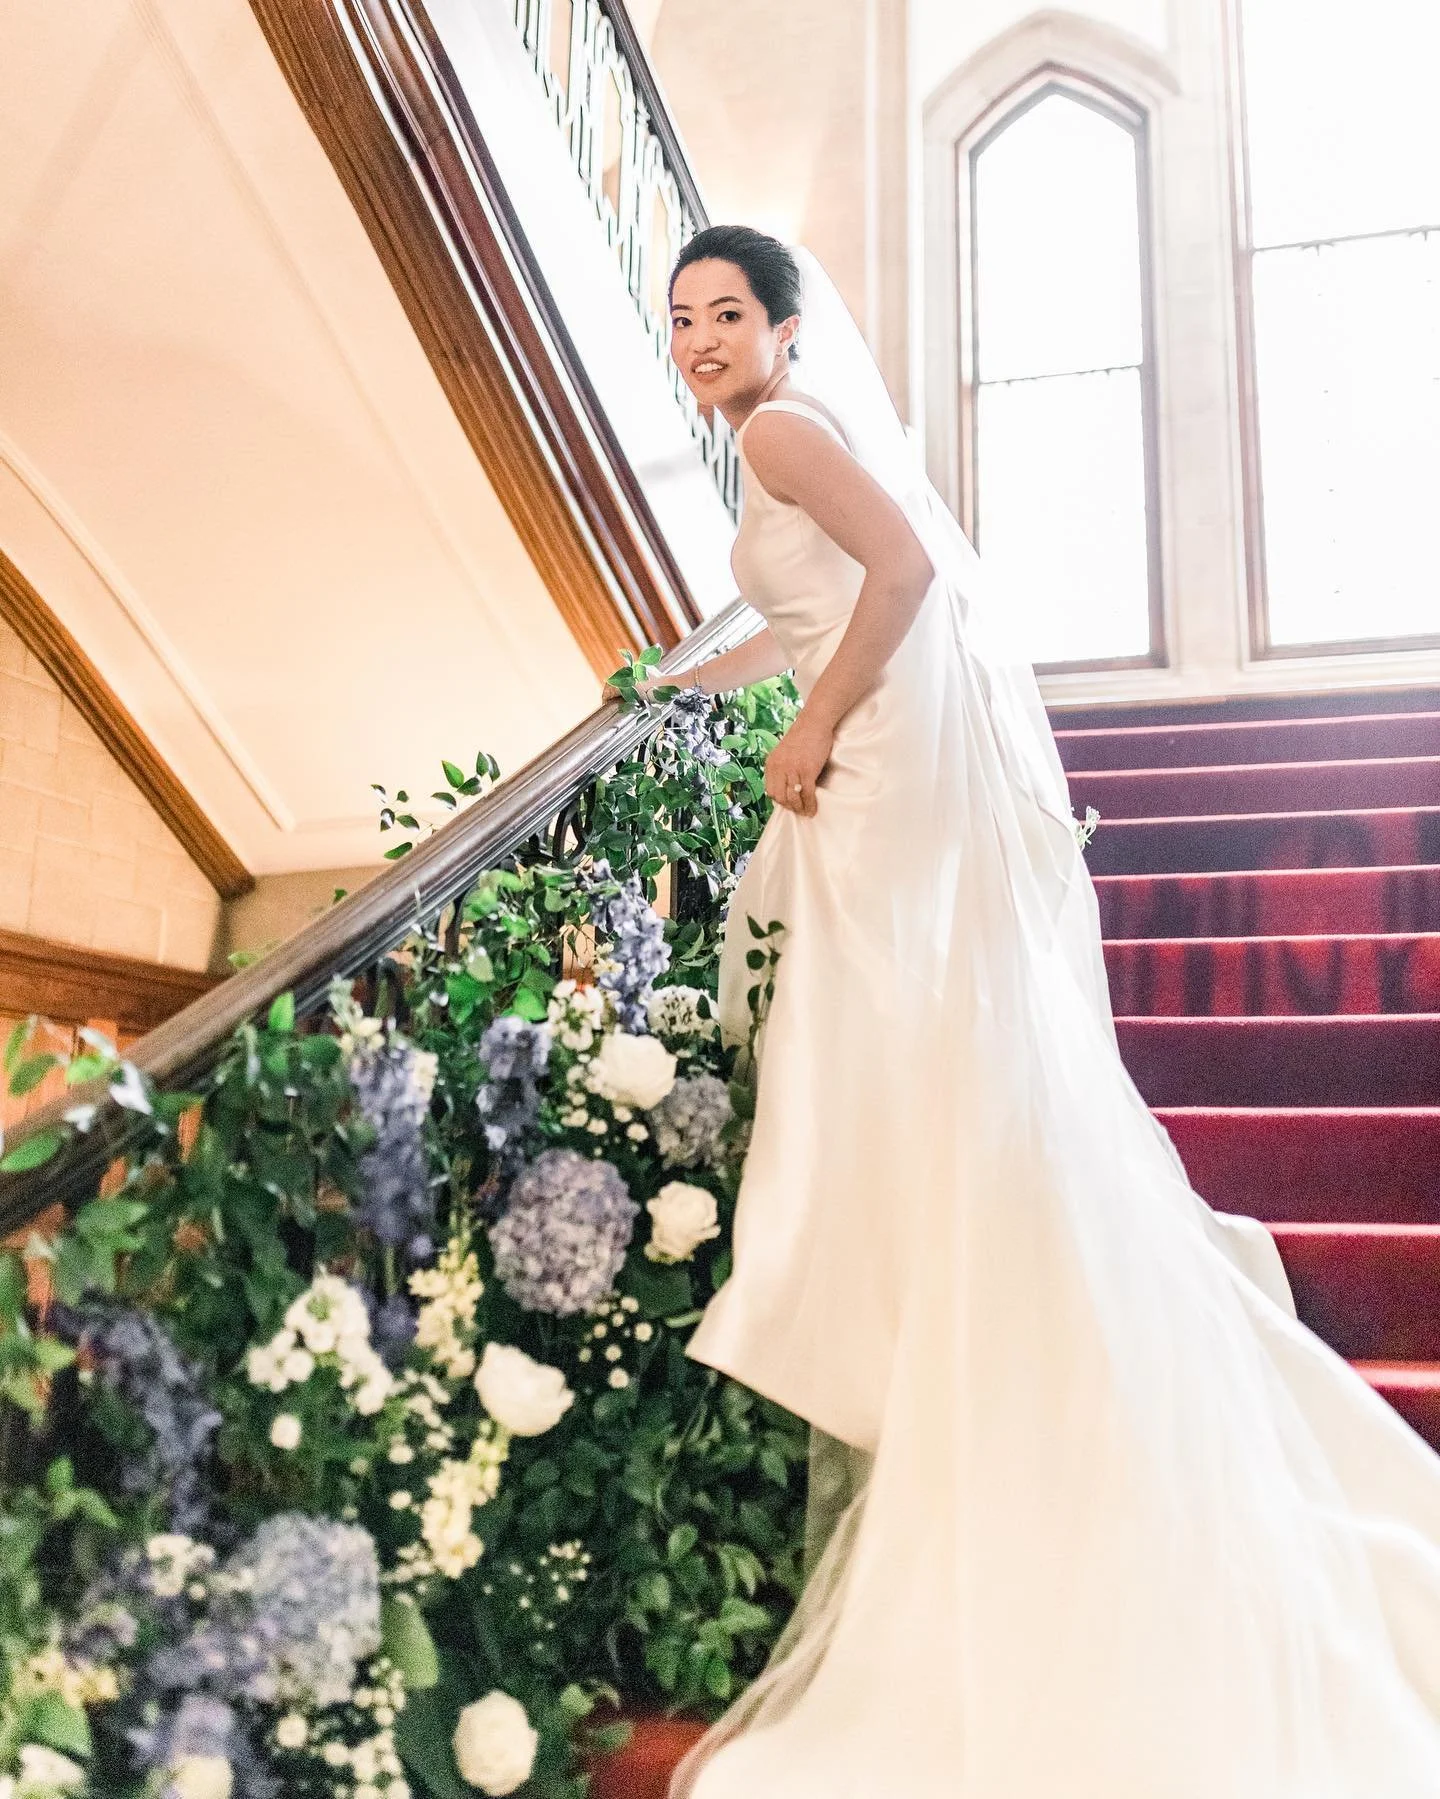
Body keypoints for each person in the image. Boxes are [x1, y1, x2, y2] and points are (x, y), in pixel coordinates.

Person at [603, 224, 1440, 1795]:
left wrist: (811, 724)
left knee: (892, 1067)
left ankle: (926, 1330)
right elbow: (811, 604)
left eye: (729, 311)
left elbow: (906, 578)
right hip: (884, 748)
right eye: (683, 317)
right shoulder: (775, 447)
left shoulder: (784, 429)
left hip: (883, 760)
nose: (702, 336)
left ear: (787, 329)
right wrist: (681, 686)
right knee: (918, 1075)